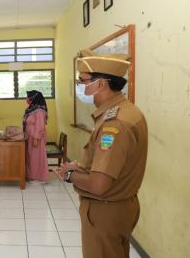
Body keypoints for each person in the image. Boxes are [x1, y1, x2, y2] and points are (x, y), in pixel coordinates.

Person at [54, 49, 148, 258]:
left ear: (101, 83)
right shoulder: (128, 111)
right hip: (120, 206)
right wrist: (82, 168)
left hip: (105, 211)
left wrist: (69, 175)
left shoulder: (114, 124)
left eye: (82, 81)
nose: (78, 86)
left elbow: (99, 185)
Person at [23, 90, 48, 184]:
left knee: (36, 157)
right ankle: (31, 175)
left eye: (28, 97)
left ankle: (38, 178)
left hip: (35, 137)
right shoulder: (32, 109)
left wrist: (36, 139)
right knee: (31, 157)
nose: (27, 99)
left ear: (33, 98)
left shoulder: (39, 111)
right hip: (30, 136)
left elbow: (40, 126)